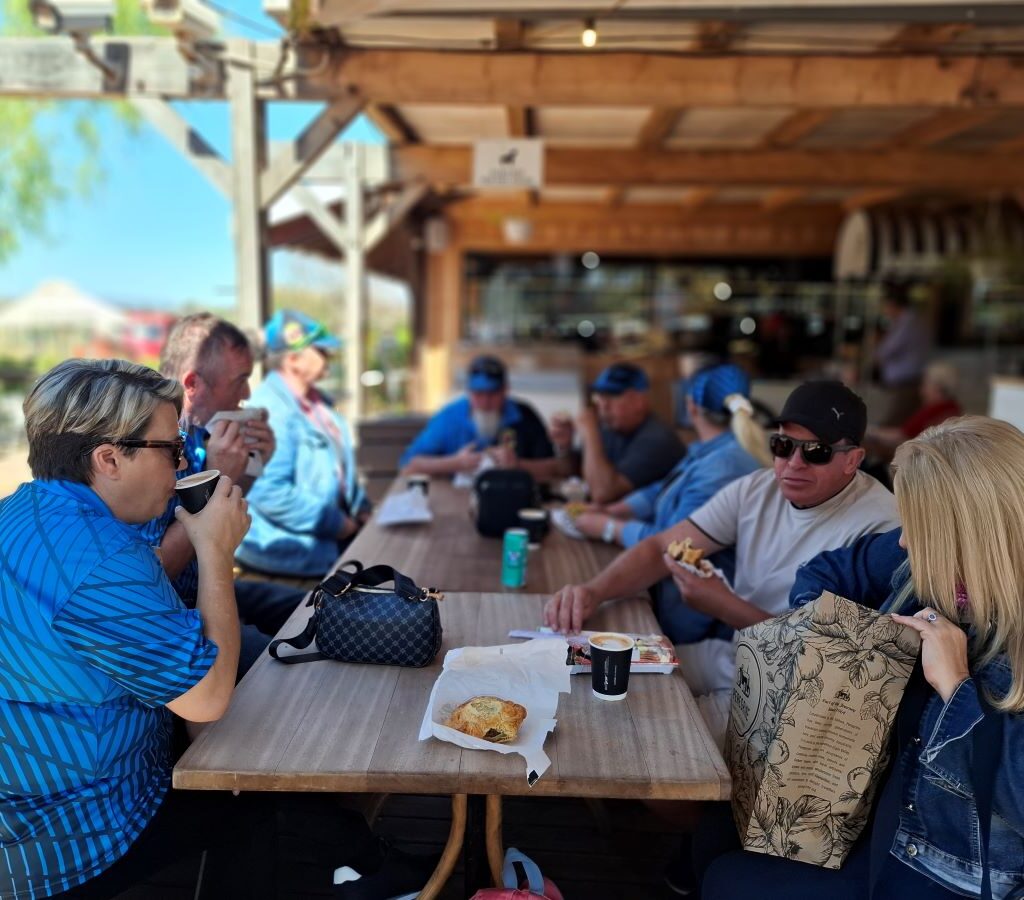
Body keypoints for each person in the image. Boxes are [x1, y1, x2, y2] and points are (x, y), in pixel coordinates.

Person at [693, 416, 1024, 899]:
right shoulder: (927, 566)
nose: (904, 541)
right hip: (875, 817)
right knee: (715, 829)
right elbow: (825, 572)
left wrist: (956, 686)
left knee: (727, 880)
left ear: (967, 533)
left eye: (918, 527)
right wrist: (841, 639)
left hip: (944, 872)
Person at [0, 359, 272, 897]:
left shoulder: (24, 510)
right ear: (108, 459)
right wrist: (215, 551)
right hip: (66, 834)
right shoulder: (103, 560)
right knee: (256, 797)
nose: (182, 463)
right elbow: (206, 700)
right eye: (172, 449)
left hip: (25, 798)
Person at [545, 380, 900, 695]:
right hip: (732, 657)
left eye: (816, 451)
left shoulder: (882, 528)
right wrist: (593, 592)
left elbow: (829, 657)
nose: (794, 463)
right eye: (782, 445)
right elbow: (661, 547)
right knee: (584, 669)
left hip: (790, 696)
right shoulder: (758, 488)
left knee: (643, 714)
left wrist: (722, 604)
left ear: (853, 460)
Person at [139, 313, 303, 674]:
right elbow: (153, 574)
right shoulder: (149, 446)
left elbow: (225, 508)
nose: (247, 394)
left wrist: (254, 465)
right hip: (173, 615)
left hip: (212, 587)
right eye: (240, 379)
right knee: (280, 669)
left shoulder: (201, 431)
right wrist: (217, 479)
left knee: (312, 608)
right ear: (192, 384)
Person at [569, 364, 768, 643]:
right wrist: (616, 510)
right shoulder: (714, 449)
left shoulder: (725, 465)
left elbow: (673, 546)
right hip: (671, 604)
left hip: (698, 631)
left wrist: (609, 527)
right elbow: (663, 489)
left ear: (691, 406)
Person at [236, 309, 370, 578]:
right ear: (293, 360)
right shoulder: (270, 410)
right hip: (287, 566)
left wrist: (361, 509)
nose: (329, 355)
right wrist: (339, 524)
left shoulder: (319, 403)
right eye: (321, 350)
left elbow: (341, 474)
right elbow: (269, 491)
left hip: (324, 553)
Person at [400, 354, 561, 479]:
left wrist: (518, 464)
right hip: (456, 497)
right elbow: (408, 466)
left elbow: (555, 469)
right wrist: (455, 463)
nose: (485, 402)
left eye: (492, 394)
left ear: (505, 390)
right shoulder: (449, 417)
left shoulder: (524, 415)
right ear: (469, 392)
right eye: (478, 394)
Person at [550, 361, 685, 504]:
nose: (603, 405)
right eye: (600, 396)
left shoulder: (657, 439)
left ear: (639, 401)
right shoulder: (610, 429)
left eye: (612, 396)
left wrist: (590, 434)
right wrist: (565, 447)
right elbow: (572, 472)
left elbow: (603, 494)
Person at [865, 361, 962, 458]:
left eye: (925, 384)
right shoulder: (953, 407)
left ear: (937, 387)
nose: (922, 390)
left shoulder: (934, 410)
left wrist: (871, 431)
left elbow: (901, 435)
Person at [874, 282, 931, 427]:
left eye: (886, 306)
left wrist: (877, 348)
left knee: (896, 424)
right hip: (906, 378)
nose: (885, 311)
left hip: (906, 380)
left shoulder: (908, 322)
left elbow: (888, 349)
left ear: (893, 304)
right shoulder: (908, 320)